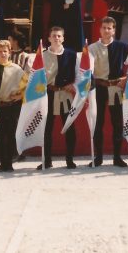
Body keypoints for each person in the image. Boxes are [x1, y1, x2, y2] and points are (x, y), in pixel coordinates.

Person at [88, 16, 128, 167]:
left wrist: (126, 79)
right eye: (104, 28)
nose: (107, 31)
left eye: (110, 28)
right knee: (98, 122)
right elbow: (85, 70)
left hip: (116, 88)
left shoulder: (123, 47)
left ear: (114, 30)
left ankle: (117, 157)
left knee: (117, 123)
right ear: (100, 29)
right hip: (99, 88)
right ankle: (98, 157)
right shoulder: (91, 48)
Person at [41, 26, 78, 169]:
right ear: (49, 38)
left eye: (59, 36)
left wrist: (73, 86)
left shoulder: (72, 55)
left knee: (69, 127)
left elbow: (81, 74)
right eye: (54, 36)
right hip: (48, 95)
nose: (56, 38)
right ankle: (47, 160)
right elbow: (34, 76)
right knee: (47, 128)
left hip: (65, 95)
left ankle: (70, 160)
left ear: (63, 38)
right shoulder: (42, 56)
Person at [0, 38, 24, 172]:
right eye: (0, 51)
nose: (3, 54)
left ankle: (9, 162)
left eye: (5, 51)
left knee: (11, 135)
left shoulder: (17, 69)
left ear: (9, 52)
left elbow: (26, 86)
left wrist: (19, 96)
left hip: (12, 106)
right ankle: (2, 162)